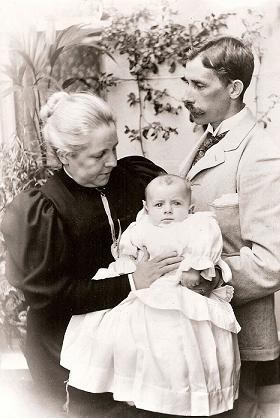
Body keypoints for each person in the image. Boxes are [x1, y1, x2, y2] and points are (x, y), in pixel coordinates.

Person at [1, 91, 184, 416]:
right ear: (65, 155)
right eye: (99, 155)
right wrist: (131, 282)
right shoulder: (43, 210)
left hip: (138, 341)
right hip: (68, 352)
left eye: (114, 148)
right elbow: (52, 296)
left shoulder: (136, 180)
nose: (112, 161)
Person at [61, 174, 241, 417]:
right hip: (147, 285)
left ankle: (181, 394)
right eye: (159, 205)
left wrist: (195, 267)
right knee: (130, 330)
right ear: (146, 208)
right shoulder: (141, 227)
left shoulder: (198, 225)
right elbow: (128, 255)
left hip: (182, 287)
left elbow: (205, 249)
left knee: (181, 340)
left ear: (190, 207)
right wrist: (131, 265)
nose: (167, 210)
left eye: (176, 204)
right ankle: (138, 387)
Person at [179, 35, 280, 418]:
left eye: (199, 85)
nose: (187, 95)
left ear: (234, 88)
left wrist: (203, 279)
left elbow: (272, 262)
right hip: (203, 332)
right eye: (186, 83)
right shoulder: (208, 138)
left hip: (242, 336)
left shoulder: (261, 154)